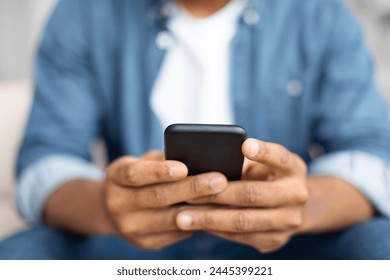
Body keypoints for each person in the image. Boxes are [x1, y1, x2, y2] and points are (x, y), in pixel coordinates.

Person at [1, 0, 390, 260]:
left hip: (289, 243)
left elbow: (372, 155)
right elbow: (46, 160)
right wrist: (106, 205)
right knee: (21, 256)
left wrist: (302, 205)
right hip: (129, 245)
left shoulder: (321, 13)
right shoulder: (83, 12)